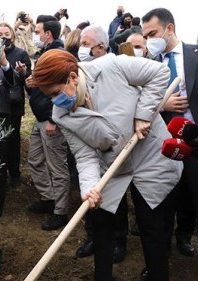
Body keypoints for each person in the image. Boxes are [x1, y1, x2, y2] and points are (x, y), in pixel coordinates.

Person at [30, 48, 182, 281]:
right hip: (110, 166)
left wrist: (143, 114)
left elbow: (159, 73)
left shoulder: (113, 66)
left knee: (152, 226)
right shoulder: (62, 114)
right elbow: (84, 154)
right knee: (100, 225)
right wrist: (90, 187)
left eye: (55, 92)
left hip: (148, 156)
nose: (55, 100)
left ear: (73, 77)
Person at [142, 8, 198, 281]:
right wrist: (164, 105)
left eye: (152, 34)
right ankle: (159, 257)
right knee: (165, 201)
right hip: (162, 145)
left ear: (169, 28)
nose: (149, 40)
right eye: (145, 36)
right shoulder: (148, 64)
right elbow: (141, 103)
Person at [74, 25, 130, 263]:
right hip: (87, 139)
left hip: (113, 140)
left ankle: (119, 239)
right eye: (81, 44)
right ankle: (94, 237)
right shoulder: (81, 71)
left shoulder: (115, 68)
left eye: (86, 44)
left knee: (115, 193)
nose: (81, 49)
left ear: (100, 47)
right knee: (91, 191)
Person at [25, 15, 70, 231]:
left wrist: (54, 119)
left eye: (38, 32)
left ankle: (60, 212)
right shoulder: (44, 54)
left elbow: (65, 90)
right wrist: (30, 80)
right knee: (35, 160)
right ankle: (48, 198)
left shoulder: (60, 56)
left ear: (48, 34)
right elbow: (44, 86)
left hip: (52, 121)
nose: (36, 36)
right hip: (39, 119)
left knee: (57, 166)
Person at [0, 23, 31, 220]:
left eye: (6, 34)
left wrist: (20, 72)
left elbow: (23, 79)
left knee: (12, 141)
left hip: (12, 106)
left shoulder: (19, 54)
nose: (3, 37)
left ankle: (14, 174)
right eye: (0, 34)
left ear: (12, 35)